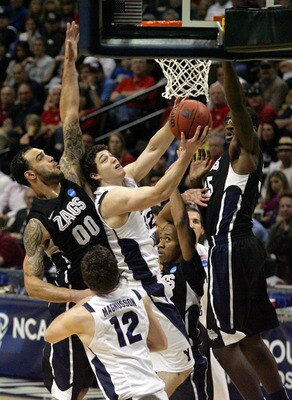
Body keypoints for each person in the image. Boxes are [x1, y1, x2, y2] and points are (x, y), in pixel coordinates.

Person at [10, 22, 110, 400]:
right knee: (72, 390)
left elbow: (70, 114)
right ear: (32, 175)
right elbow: (33, 285)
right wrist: (76, 295)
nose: (50, 155)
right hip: (77, 295)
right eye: (41, 156)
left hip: (110, 284)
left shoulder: (70, 171)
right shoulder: (36, 224)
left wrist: (69, 62)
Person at [80, 115, 209, 396]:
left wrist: (173, 122)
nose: (112, 159)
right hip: (141, 289)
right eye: (103, 160)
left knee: (167, 362)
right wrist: (185, 156)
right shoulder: (110, 198)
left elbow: (152, 149)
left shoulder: (125, 180)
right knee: (182, 361)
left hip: (145, 286)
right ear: (95, 175)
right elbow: (159, 192)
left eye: (110, 154)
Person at [188, 61, 289, 400]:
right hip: (232, 248)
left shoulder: (247, 153)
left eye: (237, 122)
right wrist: (192, 183)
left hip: (231, 248)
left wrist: (225, 63)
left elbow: (237, 105)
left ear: (249, 129)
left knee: (219, 340)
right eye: (227, 123)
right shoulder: (216, 165)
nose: (230, 125)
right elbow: (209, 209)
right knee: (248, 337)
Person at [45, 244, 169, 400]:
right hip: (157, 391)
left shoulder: (84, 313)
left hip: (128, 394)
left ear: (86, 280)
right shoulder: (139, 296)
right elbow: (161, 344)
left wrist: (80, 299)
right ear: (117, 271)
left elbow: (50, 335)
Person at [156, 189, 207, 400]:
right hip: (157, 357)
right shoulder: (161, 267)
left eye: (168, 240)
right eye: (160, 239)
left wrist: (173, 182)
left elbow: (181, 224)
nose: (160, 244)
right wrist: (181, 196)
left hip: (186, 359)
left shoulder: (191, 268)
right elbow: (161, 218)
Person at [186, 204, 230, 400]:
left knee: (216, 386)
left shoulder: (210, 255)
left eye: (196, 221)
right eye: (186, 220)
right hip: (180, 333)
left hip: (209, 330)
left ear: (202, 229)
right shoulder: (166, 253)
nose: (191, 225)